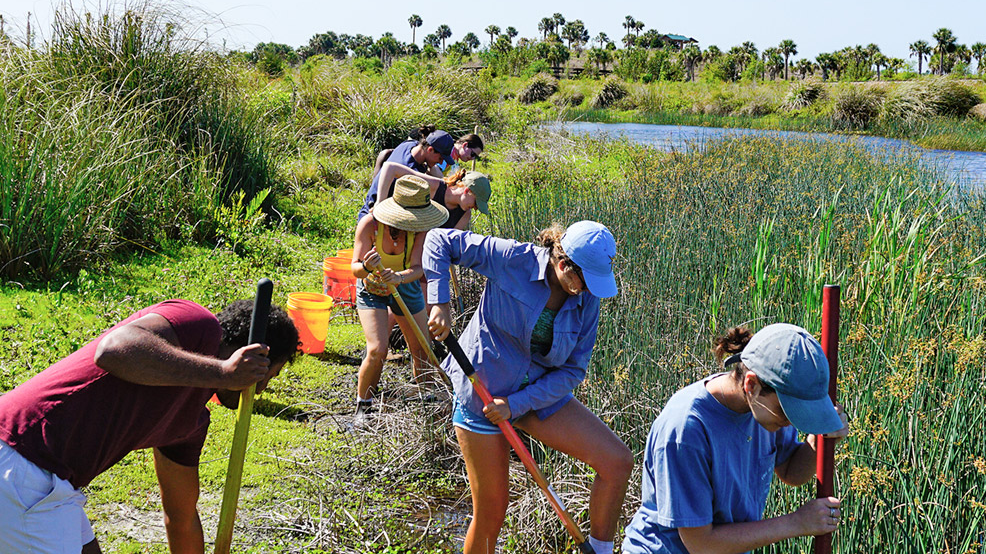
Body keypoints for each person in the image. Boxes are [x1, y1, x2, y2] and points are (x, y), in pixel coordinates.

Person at [0, 299, 301, 553]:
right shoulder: (196, 325)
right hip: (6, 468)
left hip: (39, 486)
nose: (262, 386)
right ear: (246, 352)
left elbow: (182, 517)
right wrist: (222, 372)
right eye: (269, 372)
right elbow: (114, 349)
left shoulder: (189, 422)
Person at [423, 221, 634, 554]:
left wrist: (518, 404)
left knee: (617, 462)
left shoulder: (587, 298)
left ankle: (602, 551)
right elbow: (439, 240)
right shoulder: (512, 258)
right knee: (491, 512)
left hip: (533, 396)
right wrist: (440, 303)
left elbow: (573, 371)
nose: (591, 291)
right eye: (586, 281)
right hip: (483, 394)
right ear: (564, 264)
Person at [621, 324, 851, 554]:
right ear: (751, 385)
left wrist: (817, 441)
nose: (792, 421)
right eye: (788, 411)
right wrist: (796, 523)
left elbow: (792, 472)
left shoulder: (764, 411)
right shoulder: (686, 430)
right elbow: (701, 544)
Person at [352, 175, 450, 417]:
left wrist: (399, 278)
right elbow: (354, 268)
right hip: (371, 288)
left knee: (422, 348)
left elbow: (418, 268)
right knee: (377, 350)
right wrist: (366, 266)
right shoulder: (370, 225)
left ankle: (428, 401)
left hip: (404, 287)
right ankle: (363, 407)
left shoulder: (419, 232)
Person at [358, 127, 453, 221]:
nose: (441, 163)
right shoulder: (408, 172)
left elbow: (432, 167)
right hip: (374, 215)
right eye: (440, 158)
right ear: (430, 150)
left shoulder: (410, 145)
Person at [372, 161, 492, 231]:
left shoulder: (465, 215)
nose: (475, 208)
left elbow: (448, 242)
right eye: (476, 203)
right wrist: (379, 203)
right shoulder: (434, 186)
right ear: (467, 190)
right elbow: (390, 167)